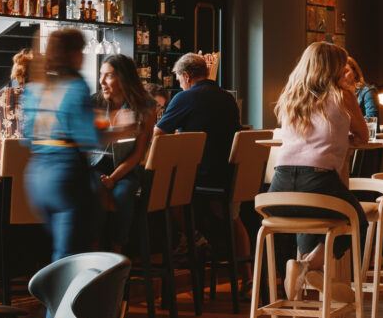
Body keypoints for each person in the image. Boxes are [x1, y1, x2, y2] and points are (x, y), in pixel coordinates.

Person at [270, 42, 372, 301]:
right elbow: (363, 135)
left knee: (315, 215)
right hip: (316, 181)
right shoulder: (342, 95)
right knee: (356, 220)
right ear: (334, 68)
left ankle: (307, 268)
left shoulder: (291, 95)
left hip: (278, 188)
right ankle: (309, 265)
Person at [22, 28, 100, 261]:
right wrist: (120, 130)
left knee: (65, 250)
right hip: (66, 176)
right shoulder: (77, 86)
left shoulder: (35, 87)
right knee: (71, 254)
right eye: (82, 51)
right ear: (74, 53)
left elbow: (28, 135)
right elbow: (88, 138)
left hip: (36, 178)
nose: (84, 56)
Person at [96, 54, 160, 256]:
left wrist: (113, 179)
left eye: (108, 76)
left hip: (127, 168)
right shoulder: (94, 103)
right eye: (100, 75)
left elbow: (139, 152)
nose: (102, 82)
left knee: (122, 195)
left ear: (123, 78)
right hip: (95, 167)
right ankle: (92, 257)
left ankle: (116, 256)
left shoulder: (146, 107)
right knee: (90, 192)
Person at [156, 52, 242, 194]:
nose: (181, 86)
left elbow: (157, 135)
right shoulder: (228, 98)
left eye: (179, 81)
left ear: (186, 76)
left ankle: (180, 217)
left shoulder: (185, 97)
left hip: (198, 175)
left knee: (161, 181)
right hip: (228, 175)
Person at [0, 51, 29, 144]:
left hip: (6, 157)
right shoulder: (45, 97)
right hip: (37, 157)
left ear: (16, 76)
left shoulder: (0, 96)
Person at [345, 55, 378, 124]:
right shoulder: (338, 94)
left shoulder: (367, 91)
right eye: (339, 73)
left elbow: (371, 118)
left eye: (346, 71)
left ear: (355, 73)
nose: (342, 75)